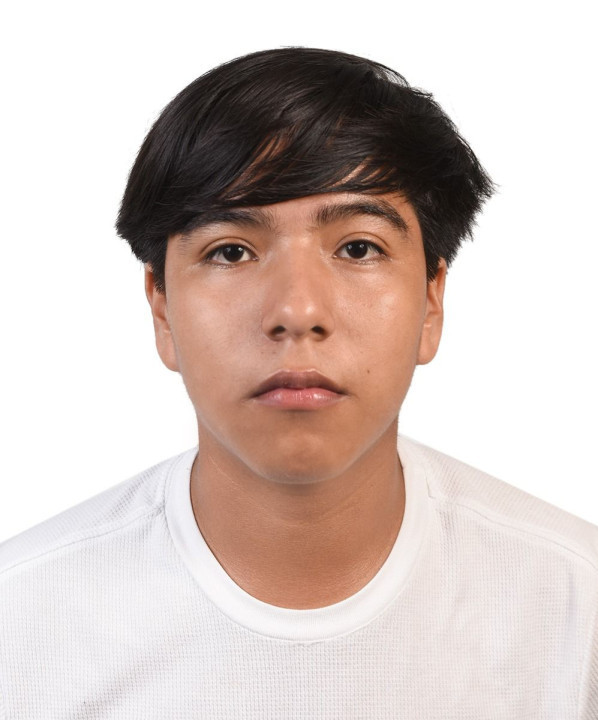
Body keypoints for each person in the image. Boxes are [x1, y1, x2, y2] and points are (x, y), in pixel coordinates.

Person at [0, 47, 596, 718]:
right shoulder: (21, 625)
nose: (297, 310)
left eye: (358, 247)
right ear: (161, 307)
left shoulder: (576, 612)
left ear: (431, 300)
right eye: (231, 251)